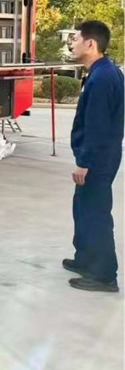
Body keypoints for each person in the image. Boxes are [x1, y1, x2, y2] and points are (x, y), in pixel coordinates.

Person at [64, 20, 123, 292]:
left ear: (90, 43)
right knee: (82, 208)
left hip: (98, 158)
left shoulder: (102, 78)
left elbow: (97, 125)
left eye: (76, 39)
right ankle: (86, 259)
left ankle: (104, 275)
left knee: (96, 213)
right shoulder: (102, 72)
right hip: (101, 154)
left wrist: (85, 162)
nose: (72, 43)